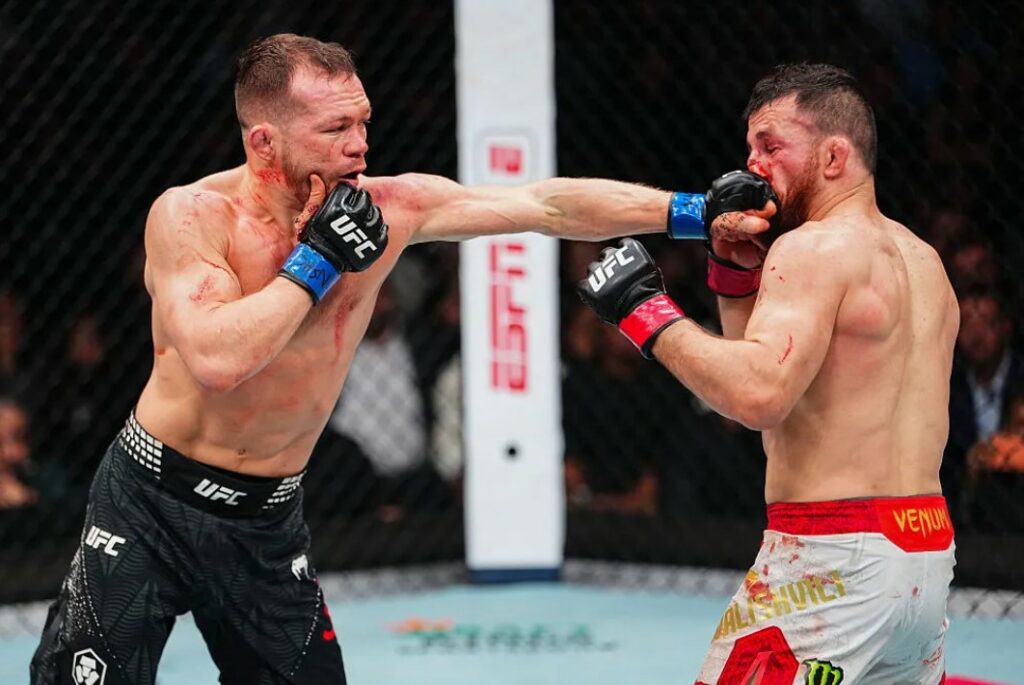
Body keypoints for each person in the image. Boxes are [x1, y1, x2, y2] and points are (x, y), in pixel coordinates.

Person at [30, 33, 771, 685]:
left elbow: (545, 206)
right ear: (264, 142)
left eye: (362, 122)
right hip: (150, 500)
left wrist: (694, 212)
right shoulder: (192, 216)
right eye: (335, 128)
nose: (359, 145)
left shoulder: (390, 208)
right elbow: (219, 360)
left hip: (267, 518)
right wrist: (318, 262)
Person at [577, 63, 958, 684]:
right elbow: (774, 394)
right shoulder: (925, 261)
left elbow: (757, 396)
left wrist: (642, 310)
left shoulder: (811, 248)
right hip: (924, 550)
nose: (752, 165)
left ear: (834, 156)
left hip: (831, 555)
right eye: (750, 147)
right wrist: (732, 278)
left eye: (772, 146)